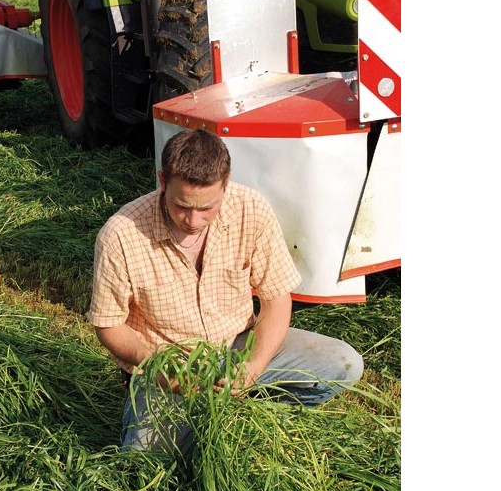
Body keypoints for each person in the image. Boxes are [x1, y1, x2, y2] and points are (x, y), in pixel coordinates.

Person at [88, 129, 363, 457]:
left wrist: (253, 366)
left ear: (226, 183)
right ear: (163, 180)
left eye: (207, 208)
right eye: (181, 206)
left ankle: (245, 401)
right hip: (172, 365)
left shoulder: (251, 209)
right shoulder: (120, 235)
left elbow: (276, 299)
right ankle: (200, 414)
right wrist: (157, 365)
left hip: (239, 346)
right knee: (145, 458)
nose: (193, 220)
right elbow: (108, 324)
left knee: (343, 363)